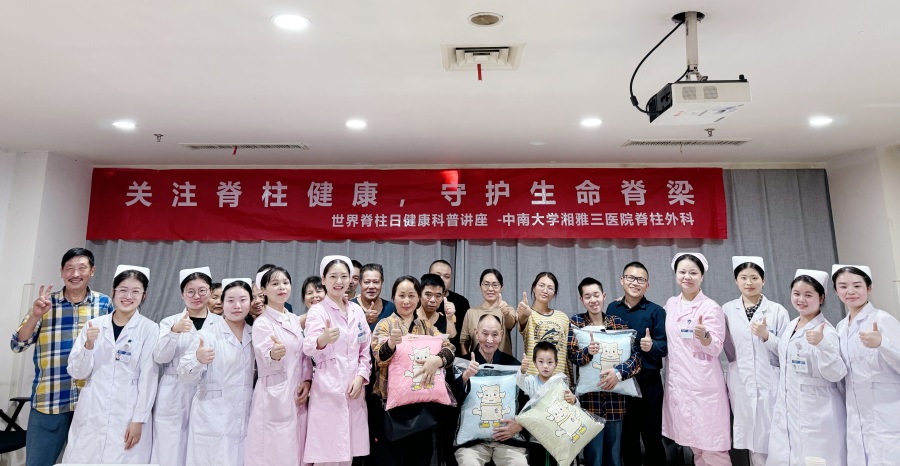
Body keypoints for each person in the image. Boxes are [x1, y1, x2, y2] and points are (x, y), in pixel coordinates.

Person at [10, 248, 113, 466]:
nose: (75, 274)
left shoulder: (104, 304)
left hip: (89, 402)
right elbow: (17, 344)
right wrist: (35, 316)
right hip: (50, 401)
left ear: (92, 271)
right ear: (61, 272)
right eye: (69, 268)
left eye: (82, 268)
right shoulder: (46, 303)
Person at [61, 265, 159, 463]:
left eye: (135, 291)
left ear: (144, 296)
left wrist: (138, 419)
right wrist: (88, 346)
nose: (128, 296)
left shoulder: (149, 329)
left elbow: (149, 377)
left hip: (128, 409)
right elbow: (77, 372)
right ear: (113, 291)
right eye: (123, 290)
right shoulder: (94, 325)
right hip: (93, 406)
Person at [371, 275, 456, 466]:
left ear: (418, 298)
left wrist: (437, 360)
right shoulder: (385, 325)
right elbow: (379, 357)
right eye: (401, 295)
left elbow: (450, 348)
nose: (406, 301)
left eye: (411, 295)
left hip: (421, 408)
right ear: (393, 298)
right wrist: (390, 344)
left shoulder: (426, 327)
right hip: (391, 408)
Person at [768, 270, 847, 466]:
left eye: (808, 295)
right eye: (796, 293)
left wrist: (822, 344)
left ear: (821, 298)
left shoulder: (826, 332)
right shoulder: (792, 325)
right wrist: (767, 338)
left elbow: (837, 373)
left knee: (815, 458)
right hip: (789, 405)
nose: (801, 299)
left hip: (816, 410)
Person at [661, 253, 731, 466]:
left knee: (712, 448)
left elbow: (716, 347)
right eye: (682, 272)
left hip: (704, 385)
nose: (687, 277)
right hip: (679, 385)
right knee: (695, 446)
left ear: (702, 276)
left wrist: (705, 337)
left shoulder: (711, 307)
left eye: (693, 272)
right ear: (675, 274)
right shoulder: (671, 305)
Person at [303, 256, 372, 465]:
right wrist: (322, 340)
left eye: (344, 276)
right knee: (327, 454)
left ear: (351, 279)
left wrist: (361, 377)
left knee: (346, 455)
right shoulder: (318, 310)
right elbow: (308, 347)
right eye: (333, 276)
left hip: (353, 389)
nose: (339, 281)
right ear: (323, 280)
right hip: (328, 389)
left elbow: (365, 350)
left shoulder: (356, 310)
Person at [721, 256, 790, 466]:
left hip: (770, 381)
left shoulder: (777, 310)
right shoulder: (727, 310)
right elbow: (727, 348)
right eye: (743, 278)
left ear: (763, 280)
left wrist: (767, 336)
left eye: (754, 277)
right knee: (751, 438)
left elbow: (787, 351)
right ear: (736, 281)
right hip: (741, 381)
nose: (749, 282)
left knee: (774, 436)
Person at [179, 278, 255, 466]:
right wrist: (198, 359)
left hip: (244, 416)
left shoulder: (255, 334)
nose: (237, 306)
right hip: (211, 418)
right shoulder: (208, 334)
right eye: (230, 300)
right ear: (222, 303)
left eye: (243, 300)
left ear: (251, 302)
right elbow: (184, 374)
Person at [152, 266, 224, 466]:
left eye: (202, 290)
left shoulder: (221, 324)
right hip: (174, 391)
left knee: (202, 450)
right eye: (190, 292)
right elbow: (160, 357)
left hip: (207, 390)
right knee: (171, 448)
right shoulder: (170, 322)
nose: (196, 296)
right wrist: (174, 332)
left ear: (210, 291)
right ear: (182, 294)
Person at [568, 277, 641, 466]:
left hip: (615, 401)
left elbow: (636, 359)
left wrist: (618, 373)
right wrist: (587, 352)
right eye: (587, 296)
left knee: (614, 456)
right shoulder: (576, 322)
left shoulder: (618, 324)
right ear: (581, 299)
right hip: (589, 402)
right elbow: (572, 356)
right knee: (593, 456)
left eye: (596, 295)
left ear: (604, 296)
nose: (593, 300)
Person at [245, 266, 313, 466]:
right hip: (273, 394)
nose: (282, 287)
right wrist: (274, 354)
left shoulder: (292, 318)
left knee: (295, 448)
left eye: (285, 282)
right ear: (263, 290)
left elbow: (303, 354)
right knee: (274, 452)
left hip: (297, 392)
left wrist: (307, 380)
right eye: (275, 284)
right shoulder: (262, 323)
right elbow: (266, 356)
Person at [833, 264, 900, 465]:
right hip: (856, 414)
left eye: (857, 285)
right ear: (836, 292)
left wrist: (882, 344)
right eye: (843, 286)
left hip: (886, 411)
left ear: (869, 289)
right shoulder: (841, 327)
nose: (850, 291)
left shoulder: (882, 319)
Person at [605, 261, 667, 466]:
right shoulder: (612, 308)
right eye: (630, 278)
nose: (635, 283)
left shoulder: (656, 311)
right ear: (622, 281)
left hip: (649, 383)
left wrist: (653, 346)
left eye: (640, 279)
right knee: (627, 439)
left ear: (647, 285)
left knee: (652, 438)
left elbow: (666, 347)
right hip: (622, 384)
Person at [453, 314, 527, 466]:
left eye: (494, 334)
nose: (489, 340)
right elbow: (451, 402)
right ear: (476, 333)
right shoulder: (462, 364)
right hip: (471, 443)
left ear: (501, 334)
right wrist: (465, 377)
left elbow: (526, 405)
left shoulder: (513, 365)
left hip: (507, 441)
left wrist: (519, 426)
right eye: (485, 333)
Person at [419, 273, 458, 466]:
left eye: (438, 295)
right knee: (421, 441)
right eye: (428, 294)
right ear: (420, 293)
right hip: (417, 386)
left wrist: (450, 318)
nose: (433, 300)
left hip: (441, 386)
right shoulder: (411, 317)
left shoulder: (444, 318)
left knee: (442, 437)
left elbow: (452, 338)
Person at [516, 341, 577, 466]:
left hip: (557, 437)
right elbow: (520, 382)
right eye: (541, 361)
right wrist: (522, 371)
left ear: (556, 364)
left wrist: (574, 400)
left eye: (550, 362)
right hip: (537, 437)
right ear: (534, 363)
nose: (545, 366)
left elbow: (573, 409)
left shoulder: (560, 383)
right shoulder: (531, 382)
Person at [516, 272, 571, 381]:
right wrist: (526, 314)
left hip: (558, 381)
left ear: (554, 293)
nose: (545, 290)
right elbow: (522, 321)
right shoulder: (527, 313)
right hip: (533, 381)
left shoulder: (563, 317)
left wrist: (570, 381)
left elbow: (566, 353)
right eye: (541, 285)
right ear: (534, 288)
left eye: (550, 288)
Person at [459, 268, 516, 356]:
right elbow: (463, 341)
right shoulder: (471, 313)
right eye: (486, 284)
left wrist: (506, 313)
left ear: (501, 287)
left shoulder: (508, 309)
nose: (490, 289)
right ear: (480, 286)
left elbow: (510, 324)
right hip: (476, 363)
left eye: (495, 285)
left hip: (503, 363)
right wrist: (468, 361)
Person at [430, 259, 470, 356]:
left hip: (453, 355)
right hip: (425, 353)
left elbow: (463, 338)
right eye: (437, 275)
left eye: (446, 276)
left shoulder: (461, 302)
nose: (442, 279)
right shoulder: (420, 300)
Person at [354, 263, 397, 331]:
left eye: (376, 282)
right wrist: (364, 321)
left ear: (382, 282)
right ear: (360, 282)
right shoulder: (350, 307)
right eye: (367, 282)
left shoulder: (391, 308)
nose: (371, 286)